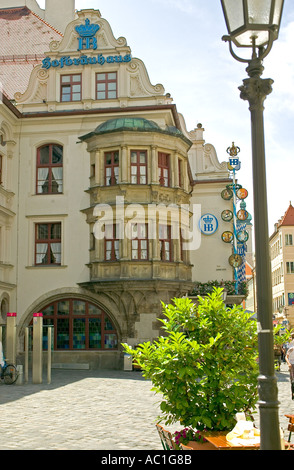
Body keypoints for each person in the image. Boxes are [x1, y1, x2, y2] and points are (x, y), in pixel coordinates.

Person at [285, 334, 294, 400]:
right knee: (292, 380)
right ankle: (292, 392)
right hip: (292, 365)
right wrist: (289, 364)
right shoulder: (291, 349)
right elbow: (286, 357)